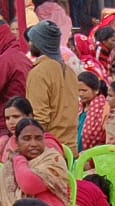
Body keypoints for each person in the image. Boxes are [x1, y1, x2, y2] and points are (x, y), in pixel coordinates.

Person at [25, 20, 80, 150]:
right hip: (70, 146)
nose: (29, 44)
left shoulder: (39, 73)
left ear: (39, 44)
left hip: (50, 148)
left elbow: (40, 118)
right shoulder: (69, 71)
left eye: (32, 41)